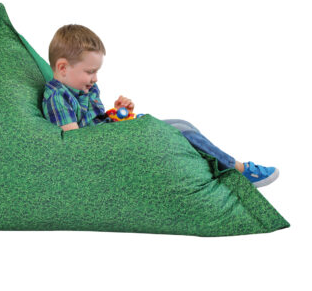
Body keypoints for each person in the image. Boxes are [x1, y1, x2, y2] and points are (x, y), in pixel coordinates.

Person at [41, 24, 279, 188]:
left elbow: (96, 121)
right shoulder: (57, 97)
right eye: (90, 71)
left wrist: (118, 114)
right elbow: (75, 144)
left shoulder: (85, 88)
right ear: (63, 68)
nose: (95, 78)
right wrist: (121, 131)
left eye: (96, 72)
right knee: (181, 133)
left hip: (115, 133)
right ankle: (239, 170)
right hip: (111, 146)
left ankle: (216, 169)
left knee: (183, 124)